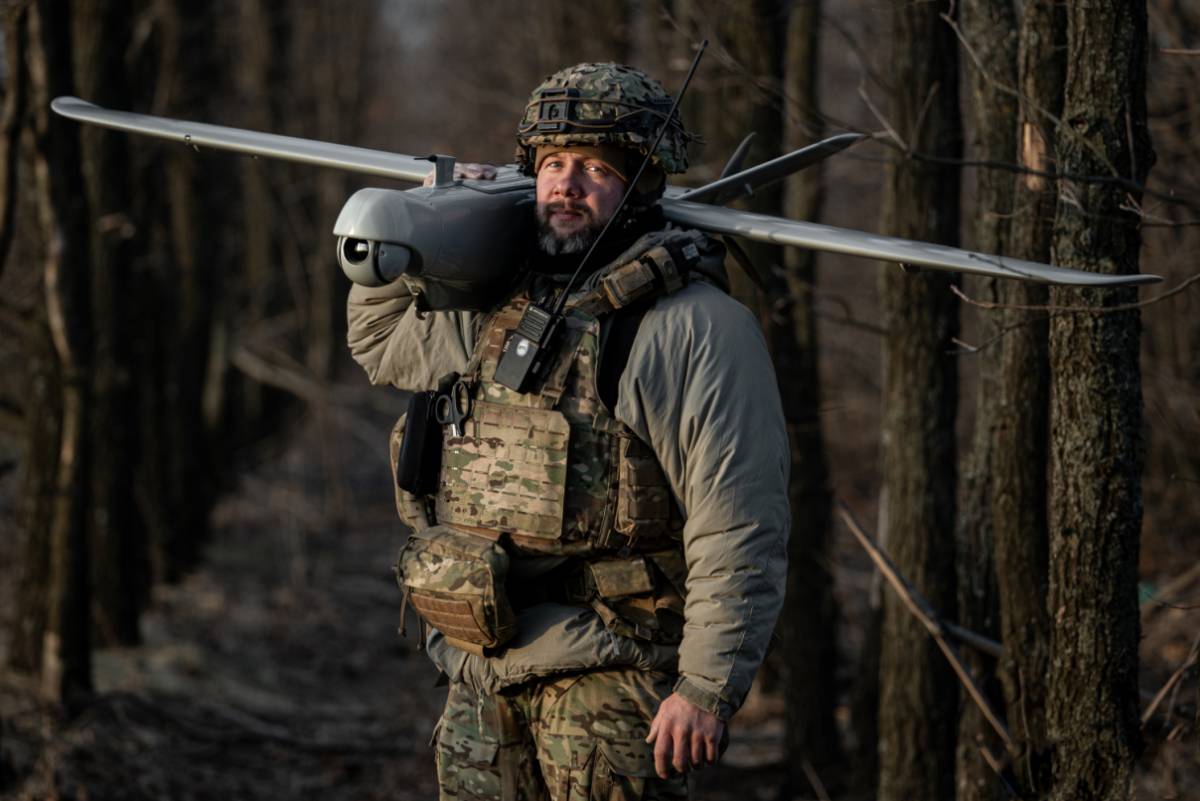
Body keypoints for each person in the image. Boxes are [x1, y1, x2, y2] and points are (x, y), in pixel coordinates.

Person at [346, 62, 789, 801]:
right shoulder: (497, 303)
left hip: (612, 681)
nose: (566, 184)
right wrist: (416, 227)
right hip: (480, 671)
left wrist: (707, 687)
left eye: (593, 167)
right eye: (552, 164)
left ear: (642, 182)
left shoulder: (693, 328)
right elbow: (382, 339)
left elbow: (739, 521)